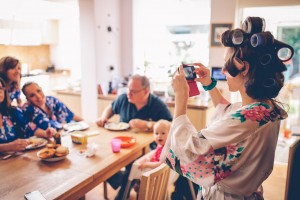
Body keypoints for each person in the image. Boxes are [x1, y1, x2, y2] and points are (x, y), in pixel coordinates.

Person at [161, 16, 292, 199]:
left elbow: (190, 149)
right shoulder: (266, 108)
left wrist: (181, 98)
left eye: (226, 63)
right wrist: (209, 84)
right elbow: (230, 112)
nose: (222, 71)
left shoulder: (248, 117)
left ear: (243, 68)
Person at [96, 74, 172, 200]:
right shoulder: (123, 99)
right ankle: (130, 181)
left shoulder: (157, 104)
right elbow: (111, 107)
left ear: (146, 91)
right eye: (128, 90)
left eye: (133, 91)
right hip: (123, 144)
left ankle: (122, 195)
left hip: (146, 148)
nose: (128, 94)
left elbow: (170, 125)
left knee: (133, 164)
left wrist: (148, 125)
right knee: (102, 160)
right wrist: (104, 117)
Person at [0, 77, 29, 152]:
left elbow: (28, 129)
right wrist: (7, 147)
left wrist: (45, 133)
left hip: (16, 159)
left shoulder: (12, 112)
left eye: (0, 88)